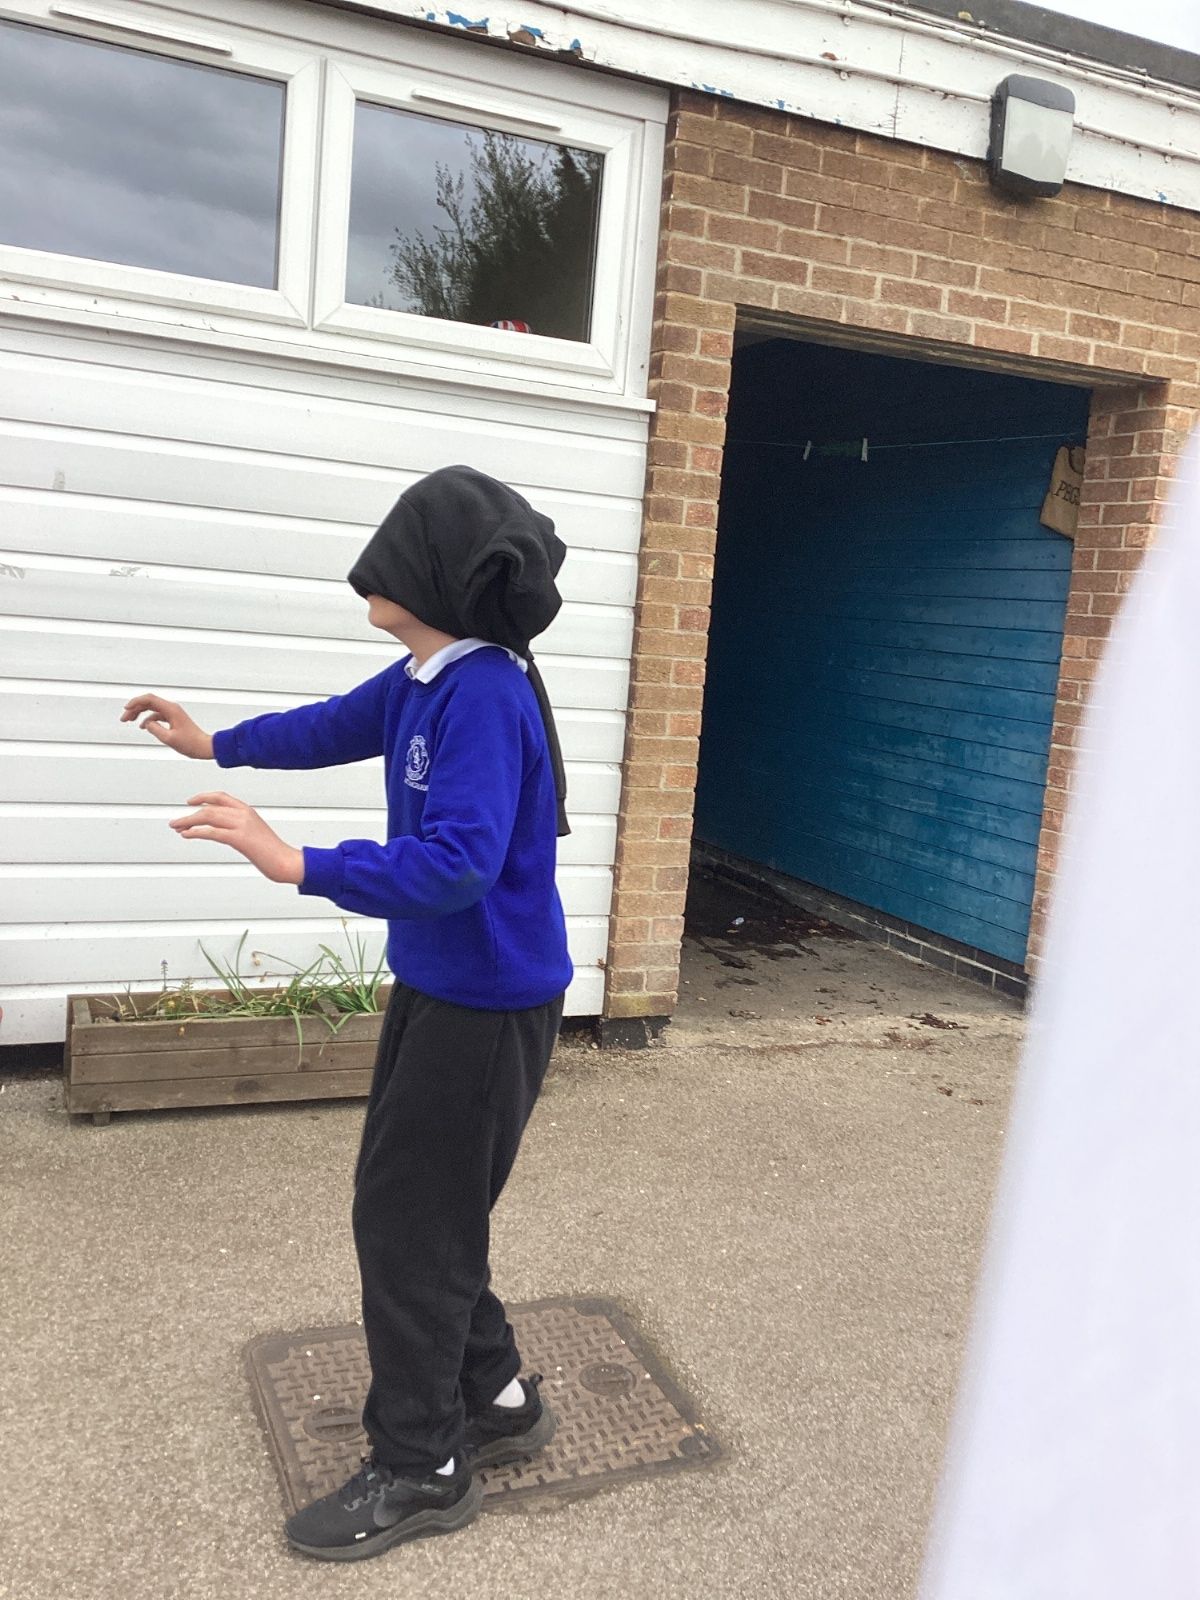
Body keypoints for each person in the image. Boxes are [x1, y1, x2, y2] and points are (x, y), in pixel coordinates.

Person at [121, 465, 574, 1563]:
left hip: (490, 1003)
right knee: (421, 1211)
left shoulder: (485, 692)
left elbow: (459, 863)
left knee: (410, 1225)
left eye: (392, 553)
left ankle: (423, 1465)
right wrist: (212, 742)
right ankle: (497, 1398)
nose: (370, 570)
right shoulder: (425, 674)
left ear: (440, 575)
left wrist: (300, 863)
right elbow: (333, 724)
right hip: (443, 986)